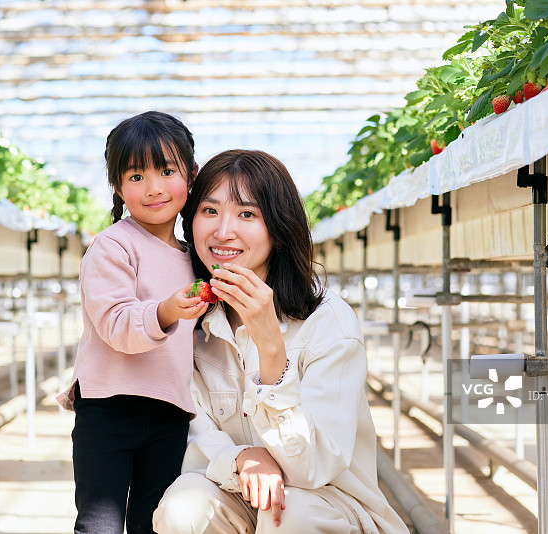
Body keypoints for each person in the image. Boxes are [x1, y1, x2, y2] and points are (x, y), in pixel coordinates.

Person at [153, 149, 409, 534]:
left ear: (278, 226)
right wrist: (244, 458)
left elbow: (312, 468)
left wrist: (271, 348)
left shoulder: (327, 321)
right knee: (182, 506)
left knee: (291, 515)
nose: (223, 231)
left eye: (247, 214)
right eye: (209, 211)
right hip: (237, 490)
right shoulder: (192, 320)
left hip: (331, 503)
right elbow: (197, 436)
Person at [57, 111, 209, 534]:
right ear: (118, 187)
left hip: (170, 411)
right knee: (99, 523)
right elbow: (116, 323)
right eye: (136, 176)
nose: (154, 187)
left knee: (155, 522)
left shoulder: (195, 255)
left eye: (167, 170)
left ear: (191, 175)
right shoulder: (112, 246)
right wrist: (165, 311)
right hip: (109, 408)